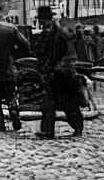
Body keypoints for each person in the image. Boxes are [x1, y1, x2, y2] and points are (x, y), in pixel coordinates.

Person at [34, 11, 84, 139]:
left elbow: (42, 50)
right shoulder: (60, 30)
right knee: (66, 102)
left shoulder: (53, 32)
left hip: (58, 71)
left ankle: (50, 131)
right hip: (64, 70)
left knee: (54, 102)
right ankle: (75, 128)